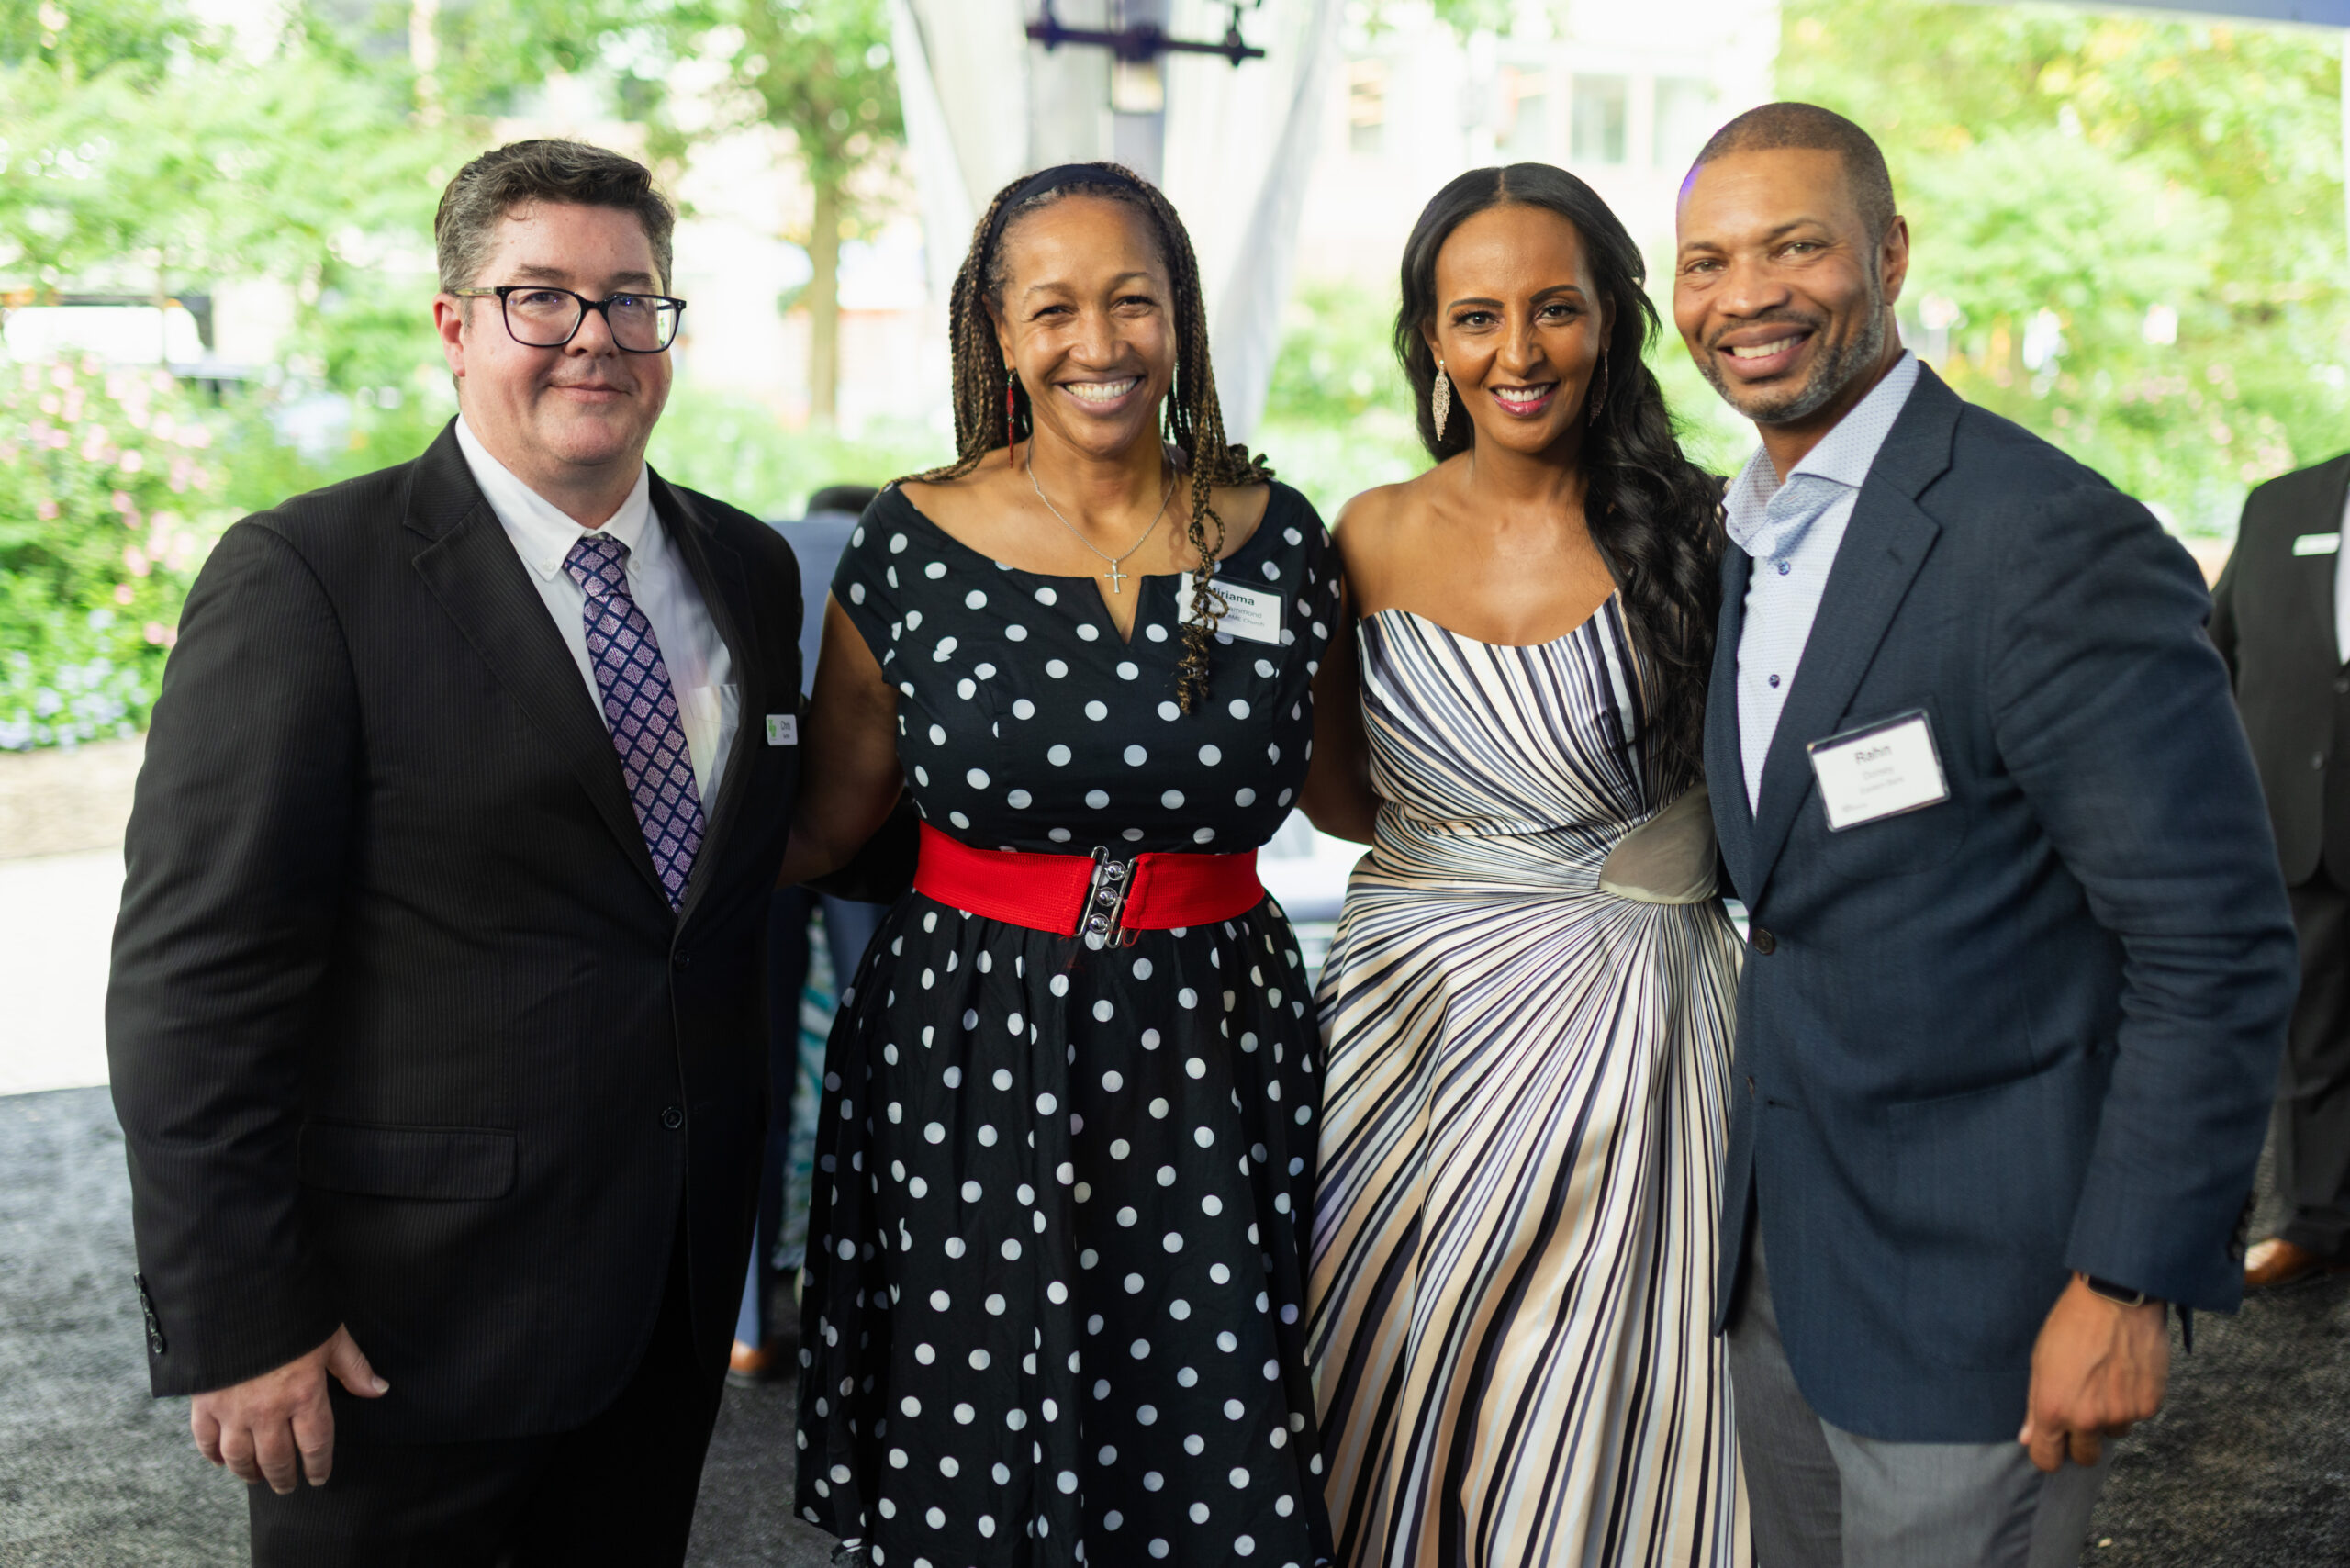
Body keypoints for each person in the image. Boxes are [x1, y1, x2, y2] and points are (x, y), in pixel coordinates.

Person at [106, 140, 807, 1566]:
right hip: (407, 1328)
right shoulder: (308, 577)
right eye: (539, 297)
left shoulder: (748, 570)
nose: (594, 339)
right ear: (453, 324)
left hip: (665, 1299)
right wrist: (242, 1318)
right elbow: (193, 982)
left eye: (631, 299)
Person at [1676, 103, 2296, 1566]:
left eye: (1795, 246)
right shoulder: (1744, 533)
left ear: (1888, 254)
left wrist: (2128, 1281)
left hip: (1991, 1300)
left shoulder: (2046, 539)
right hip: (1784, 1278)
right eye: (1706, 262)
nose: (1744, 296)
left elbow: (2216, 940)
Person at [781, 162, 1340, 1567]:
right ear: (999, 332)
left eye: (1132, 301)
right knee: (978, 1440)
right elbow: (833, 820)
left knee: (1211, 1430)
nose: (1099, 343)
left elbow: (1352, 791)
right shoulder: (908, 542)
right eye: (1055, 309)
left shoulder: (1276, 538)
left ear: (1182, 318)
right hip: (968, 1040)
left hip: (1217, 1040)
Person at [1302, 163, 1745, 1566]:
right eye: (1476, 316)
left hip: (1639, 1036)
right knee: (1388, 1374)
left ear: (1611, 320)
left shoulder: (1711, 531)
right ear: (1430, 338)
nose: (1517, 352)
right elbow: (1334, 797)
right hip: (1406, 1024)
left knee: (1592, 1402)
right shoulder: (1361, 532)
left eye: (1555, 309)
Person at [732, 485, 891, 1383]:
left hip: (755, 808)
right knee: (887, 1057)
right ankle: (871, 1313)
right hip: (866, 809)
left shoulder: (758, 538)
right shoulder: (902, 542)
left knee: (749, 1066)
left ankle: (750, 1324)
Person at [2212, 460, 2350, 1290]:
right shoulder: (2282, 504)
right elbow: (2212, 652)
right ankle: (2318, 1219)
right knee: (2313, 1036)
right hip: (2302, 815)